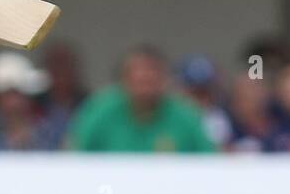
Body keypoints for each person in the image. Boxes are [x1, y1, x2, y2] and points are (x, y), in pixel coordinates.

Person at [69, 46, 214, 153]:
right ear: (124, 80)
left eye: (152, 80)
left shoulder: (186, 114)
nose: (146, 88)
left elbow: (210, 159)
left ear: (165, 80)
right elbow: (75, 152)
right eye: (140, 81)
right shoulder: (100, 111)